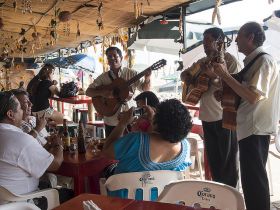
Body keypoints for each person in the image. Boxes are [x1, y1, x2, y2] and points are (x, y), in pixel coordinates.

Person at [210, 22, 280, 210]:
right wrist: (227, 92)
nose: (236, 41)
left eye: (240, 36)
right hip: (248, 127)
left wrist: (225, 76)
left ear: (250, 38)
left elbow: (253, 96)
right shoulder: (252, 62)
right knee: (250, 181)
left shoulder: (264, 61)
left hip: (255, 127)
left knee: (255, 181)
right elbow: (244, 92)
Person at [181, 27, 240, 187]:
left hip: (225, 117)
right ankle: (219, 197)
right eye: (204, 42)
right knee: (214, 162)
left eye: (208, 41)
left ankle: (231, 197)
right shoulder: (202, 62)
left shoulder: (230, 61)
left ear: (219, 41)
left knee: (228, 163)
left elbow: (235, 88)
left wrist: (214, 77)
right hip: (207, 117)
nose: (205, 45)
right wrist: (188, 78)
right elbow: (184, 74)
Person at [0, 91, 64, 208]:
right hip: (23, 203)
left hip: (3, 202)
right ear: (10, 114)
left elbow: (22, 156)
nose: (23, 112)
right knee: (73, 195)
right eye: (20, 109)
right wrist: (59, 145)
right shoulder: (20, 139)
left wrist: (49, 146)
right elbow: (55, 165)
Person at [102, 99, 192, 175]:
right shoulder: (185, 147)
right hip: (163, 195)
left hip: (123, 195)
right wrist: (154, 122)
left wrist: (123, 123)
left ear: (158, 120)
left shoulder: (135, 140)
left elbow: (107, 152)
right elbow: (159, 138)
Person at [86, 46, 151, 137]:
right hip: (111, 121)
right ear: (107, 60)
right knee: (111, 148)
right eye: (109, 57)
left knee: (130, 149)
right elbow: (88, 92)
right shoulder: (103, 77)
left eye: (115, 56)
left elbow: (145, 90)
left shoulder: (132, 73)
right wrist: (102, 93)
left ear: (120, 58)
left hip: (131, 120)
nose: (112, 58)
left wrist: (147, 78)